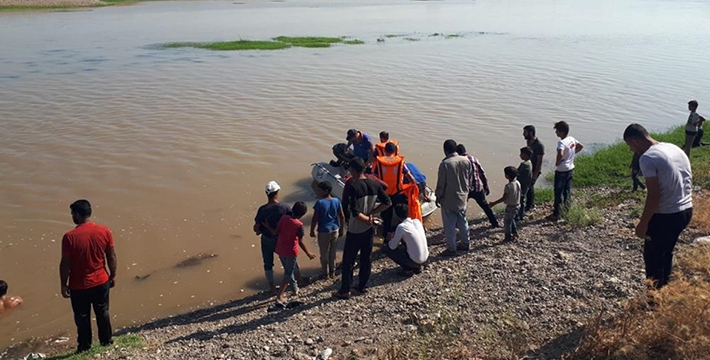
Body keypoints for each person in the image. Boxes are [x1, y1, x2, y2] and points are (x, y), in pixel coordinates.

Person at [624, 124, 693, 289]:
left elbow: (654, 195)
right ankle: (664, 292)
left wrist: (643, 223)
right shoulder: (673, 148)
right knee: (666, 253)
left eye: (630, 146)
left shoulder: (647, 158)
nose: (632, 150)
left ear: (636, 140)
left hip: (666, 215)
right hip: (686, 210)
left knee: (653, 258)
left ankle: (654, 301)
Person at [59, 200, 117, 353]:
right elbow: (111, 256)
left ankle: (84, 346)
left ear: (77, 214)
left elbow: (65, 263)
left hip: (79, 285)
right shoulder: (104, 231)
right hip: (101, 280)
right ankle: (106, 341)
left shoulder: (69, 237)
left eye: (72, 214)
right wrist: (113, 275)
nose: (72, 216)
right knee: (103, 312)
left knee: (82, 317)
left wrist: (63, 284)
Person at [333, 158, 391, 300]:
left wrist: (367, 218)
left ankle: (345, 290)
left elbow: (355, 212)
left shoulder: (353, 186)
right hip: (369, 230)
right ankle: (362, 285)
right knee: (366, 258)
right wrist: (372, 214)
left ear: (353, 170)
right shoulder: (374, 184)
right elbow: (388, 202)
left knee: (348, 261)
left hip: (355, 230)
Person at [267, 202, 316, 303]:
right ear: (302, 214)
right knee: (288, 273)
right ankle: (279, 295)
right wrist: (308, 253)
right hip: (291, 251)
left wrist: (267, 226)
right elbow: (300, 242)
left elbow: (275, 232)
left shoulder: (284, 218)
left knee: (289, 268)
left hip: (280, 249)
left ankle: (294, 288)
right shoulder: (299, 225)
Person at [435, 140, 473, 256]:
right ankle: (465, 243)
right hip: (463, 196)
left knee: (449, 224)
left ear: (445, 150)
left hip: (449, 199)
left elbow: (441, 184)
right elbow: (469, 178)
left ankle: (451, 248)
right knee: (463, 220)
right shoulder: (466, 161)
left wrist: (438, 197)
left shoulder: (445, 164)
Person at [253, 181, 291, 294]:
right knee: (287, 261)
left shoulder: (262, 210)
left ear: (266, 193)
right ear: (277, 192)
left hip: (267, 240)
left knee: (268, 264)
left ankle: (272, 288)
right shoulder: (285, 207)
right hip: (282, 239)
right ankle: (293, 284)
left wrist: (260, 229)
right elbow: (291, 222)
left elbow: (256, 228)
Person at [374, 142, 415, 238]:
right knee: (403, 215)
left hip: (385, 195)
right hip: (398, 193)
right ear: (395, 151)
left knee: (386, 218)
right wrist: (414, 186)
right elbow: (409, 176)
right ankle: (406, 236)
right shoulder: (400, 162)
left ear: (385, 151)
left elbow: (375, 177)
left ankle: (386, 238)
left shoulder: (379, 163)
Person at [548, 121, 584, 221]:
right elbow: (580, 146)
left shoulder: (561, 143)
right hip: (570, 169)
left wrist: (558, 162)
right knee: (567, 191)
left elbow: (560, 152)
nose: (556, 133)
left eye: (557, 131)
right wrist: (571, 155)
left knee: (558, 192)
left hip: (562, 170)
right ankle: (566, 210)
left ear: (562, 132)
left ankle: (556, 214)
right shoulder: (571, 139)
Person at [457, 144, 498, 229]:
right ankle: (494, 222)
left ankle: (460, 224)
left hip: (466, 189)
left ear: (458, 153)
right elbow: (482, 173)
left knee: (461, 207)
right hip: (478, 187)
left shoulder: (459, 161)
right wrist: (486, 185)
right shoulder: (474, 159)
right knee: (485, 206)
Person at [310, 182, 345, 279]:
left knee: (324, 253)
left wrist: (312, 230)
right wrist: (341, 229)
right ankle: (332, 272)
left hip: (324, 231)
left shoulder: (320, 203)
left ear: (325, 191)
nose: (318, 191)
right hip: (335, 229)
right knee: (332, 252)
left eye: (319, 190)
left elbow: (314, 219)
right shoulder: (336, 201)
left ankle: (325, 273)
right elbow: (342, 216)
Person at [383, 203, 429, 276]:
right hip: (425, 256)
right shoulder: (417, 221)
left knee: (387, 248)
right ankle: (417, 266)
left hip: (417, 259)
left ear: (397, 215)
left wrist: (389, 239)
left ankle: (409, 269)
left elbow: (392, 246)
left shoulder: (401, 227)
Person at [489, 167, 522, 242]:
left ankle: (508, 237)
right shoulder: (518, 183)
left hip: (510, 207)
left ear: (507, 176)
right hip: (517, 205)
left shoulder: (508, 186)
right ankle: (515, 233)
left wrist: (494, 203)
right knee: (511, 219)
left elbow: (504, 198)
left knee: (507, 222)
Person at [523, 125, 545, 211]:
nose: (523, 134)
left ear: (531, 133)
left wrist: (534, 175)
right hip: (529, 168)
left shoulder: (539, 145)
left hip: (535, 169)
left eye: (525, 132)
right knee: (527, 187)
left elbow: (539, 162)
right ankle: (528, 204)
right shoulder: (529, 141)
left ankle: (530, 206)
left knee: (530, 186)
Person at [517, 147, 533, 220]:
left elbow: (517, 172)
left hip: (522, 185)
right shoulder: (530, 163)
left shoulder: (524, 164)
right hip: (526, 185)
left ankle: (519, 215)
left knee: (520, 200)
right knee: (522, 200)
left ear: (526, 155)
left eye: (521, 154)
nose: (520, 156)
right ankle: (521, 215)